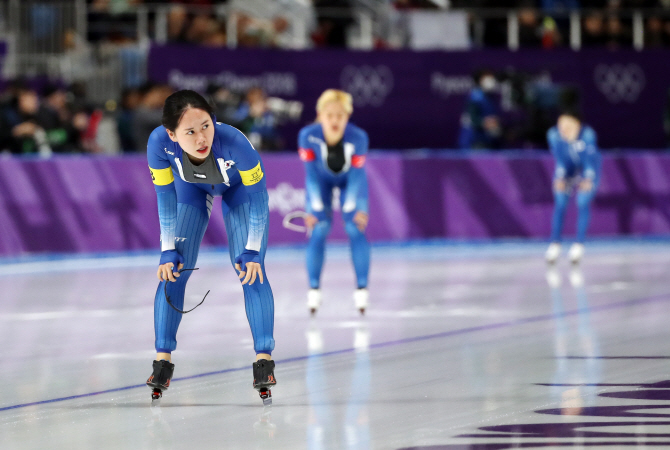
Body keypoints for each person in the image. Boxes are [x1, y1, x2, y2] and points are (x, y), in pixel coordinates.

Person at [145, 90, 276, 404]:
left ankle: (263, 358)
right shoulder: (157, 145)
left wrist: (254, 249)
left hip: (239, 191)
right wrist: (167, 248)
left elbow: (258, 197)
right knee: (172, 271)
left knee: (249, 268)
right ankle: (162, 359)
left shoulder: (236, 143)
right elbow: (165, 197)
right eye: (190, 132)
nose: (201, 137)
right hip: (190, 190)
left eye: (206, 126)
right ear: (172, 135)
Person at [297, 89, 370, 315]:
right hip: (320, 183)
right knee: (319, 229)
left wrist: (352, 210)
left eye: (340, 115)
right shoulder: (307, 135)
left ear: (348, 116)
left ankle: (361, 289)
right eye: (329, 115)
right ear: (319, 114)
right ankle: (314, 290)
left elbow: (357, 177)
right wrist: (316, 209)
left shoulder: (359, 138)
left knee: (354, 227)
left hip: (351, 183)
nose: (334, 120)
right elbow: (310, 176)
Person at [545, 111, 601, 264]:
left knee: (582, 201)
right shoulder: (553, 135)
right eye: (560, 126)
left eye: (568, 126)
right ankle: (555, 243)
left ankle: (579, 244)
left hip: (586, 169)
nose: (563, 130)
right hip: (567, 170)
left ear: (577, 124)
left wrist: (589, 178)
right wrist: (560, 177)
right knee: (560, 202)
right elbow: (560, 160)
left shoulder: (588, 135)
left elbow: (590, 161)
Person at [458, 70, 501, 150]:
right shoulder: (475, 97)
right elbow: (473, 119)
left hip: (486, 141)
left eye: (492, 77)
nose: (491, 80)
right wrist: (486, 123)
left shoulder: (490, 97)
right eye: (487, 77)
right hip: (473, 142)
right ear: (480, 80)